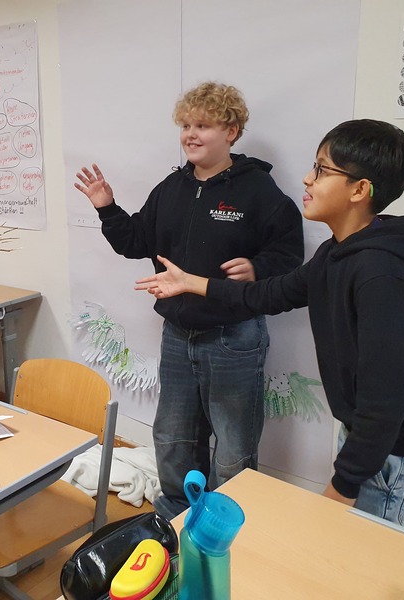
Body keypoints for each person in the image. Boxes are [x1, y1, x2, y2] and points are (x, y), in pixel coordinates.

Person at [135, 119, 404, 533]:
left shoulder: (384, 276)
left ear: (359, 190)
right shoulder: (338, 253)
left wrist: (341, 487)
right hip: (370, 438)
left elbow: (385, 401)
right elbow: (269, 294)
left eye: (322, 170)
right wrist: (191, 283)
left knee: (377, 560)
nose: (308, 178)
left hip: (397, 451)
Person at [76, 81, 304, 519]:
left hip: (234, 337)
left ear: (231, 132)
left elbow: (289, 254)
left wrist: (258, 268)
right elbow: (136, 241)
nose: (191, 135)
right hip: (178, 335)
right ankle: (175, 518)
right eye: (186, 126)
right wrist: (107, 206)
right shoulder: (172, 187)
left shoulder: (257, 189)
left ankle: (226, 525)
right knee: (173, 438)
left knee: (234, 447)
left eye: (203, 125)